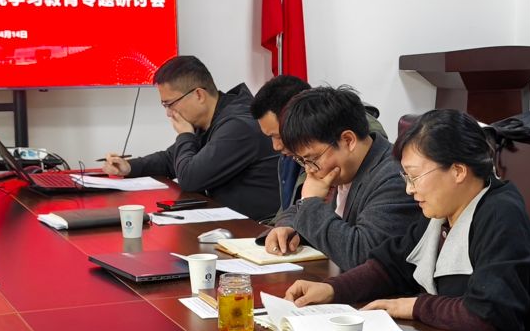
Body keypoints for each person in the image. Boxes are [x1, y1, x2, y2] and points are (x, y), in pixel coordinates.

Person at [283, 110, 530, 331]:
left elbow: (490, 314)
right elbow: (390, 267)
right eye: (406, 177)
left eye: (414, 177)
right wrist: (333, 289)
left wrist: (413, 306)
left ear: (458, 171)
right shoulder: (442, 212)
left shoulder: (501, 214)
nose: (409, 189)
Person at [102, 55, 280, 220]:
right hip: (227, 222)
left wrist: (185, 134)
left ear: (199, 95)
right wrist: (129, 167)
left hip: (256, 229)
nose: (169, 113)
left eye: (170, 104)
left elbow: (190, 179)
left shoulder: (239, 125)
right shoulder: (212, 118)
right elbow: (171, 159)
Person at [264, 87, 421, 270]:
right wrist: (285, 226)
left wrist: (310, 203)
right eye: (302, 160)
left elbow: (362, 256)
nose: (309, 169)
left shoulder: (394, 177)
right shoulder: (343, 167)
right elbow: (298, 209)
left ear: (348, 140)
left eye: (312, 159)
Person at [251, 73, 313, 219]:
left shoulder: (332, 156)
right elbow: (286, 211)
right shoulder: (288, 158)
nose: (276, 147)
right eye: (271, 137)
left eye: (279, 136)